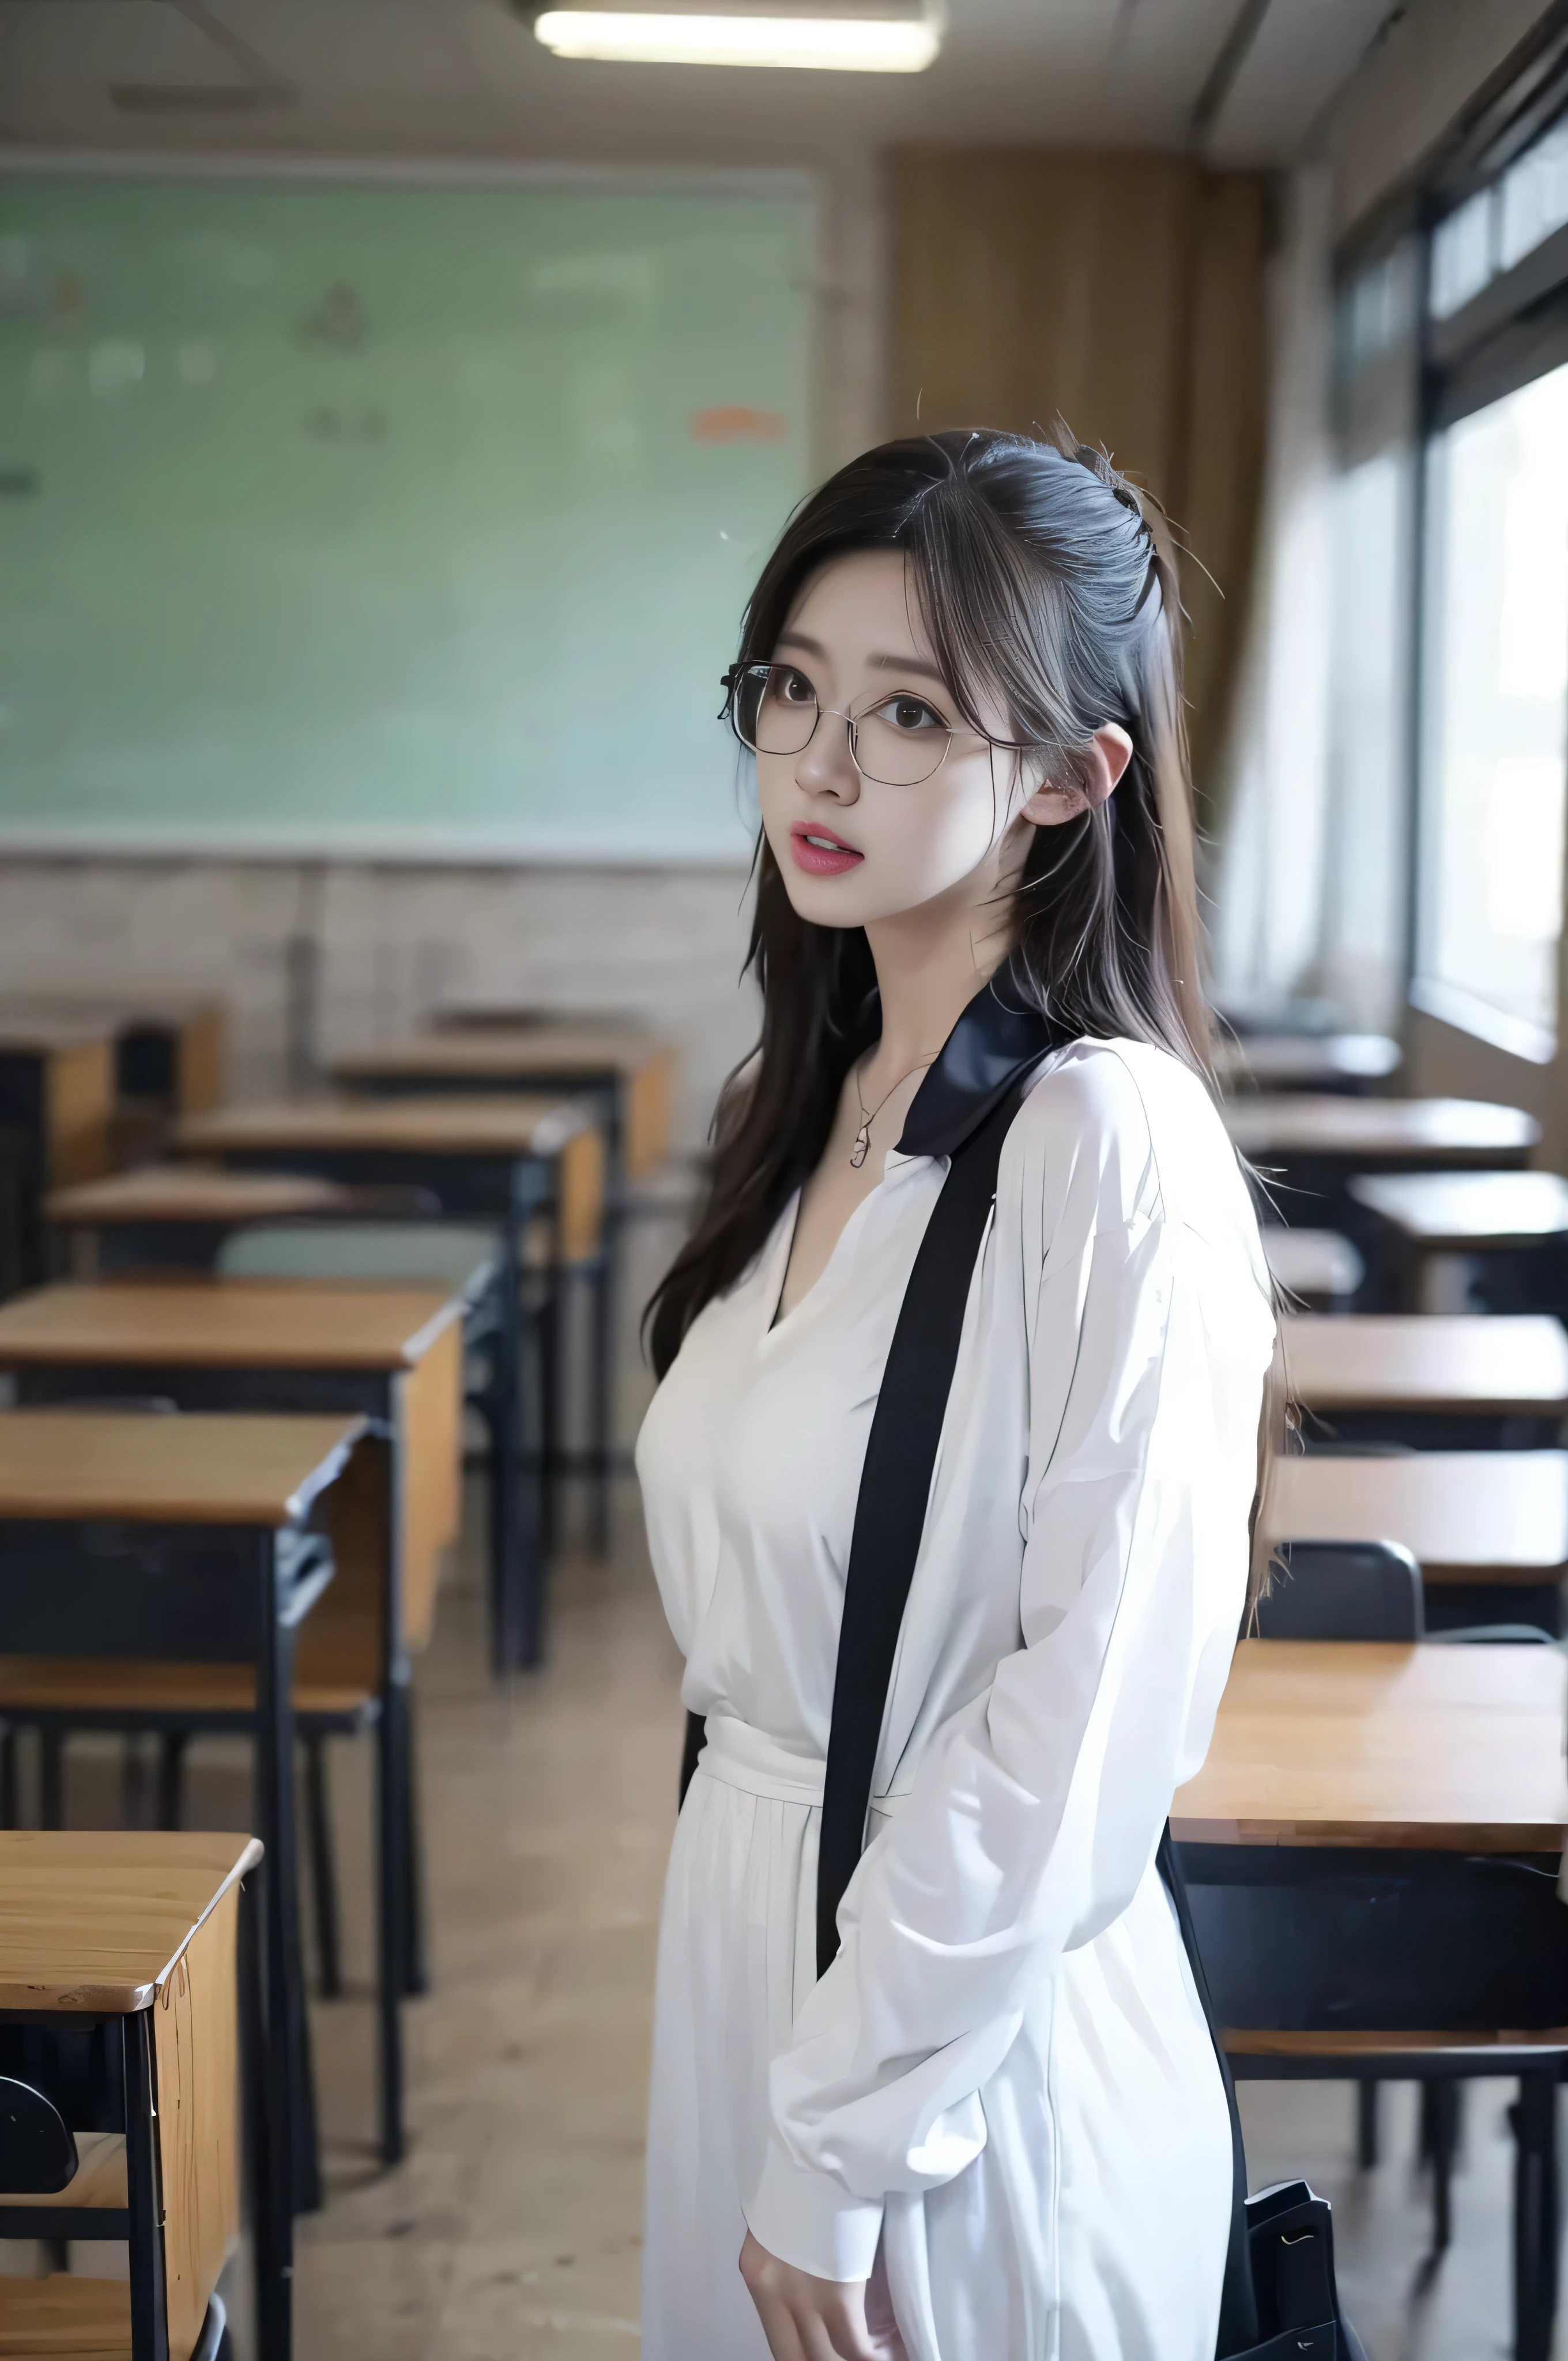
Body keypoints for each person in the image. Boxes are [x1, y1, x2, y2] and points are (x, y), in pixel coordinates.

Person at [635, 428, 1276, 2361]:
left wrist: (845, 2134)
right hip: (758, 1943)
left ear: (1075, 783)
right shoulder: (810, 1105)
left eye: (910, 713)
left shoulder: (1104, 1140)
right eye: (795, 691)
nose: (821, 767)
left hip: (960, 2050)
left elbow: (1082, 1710)